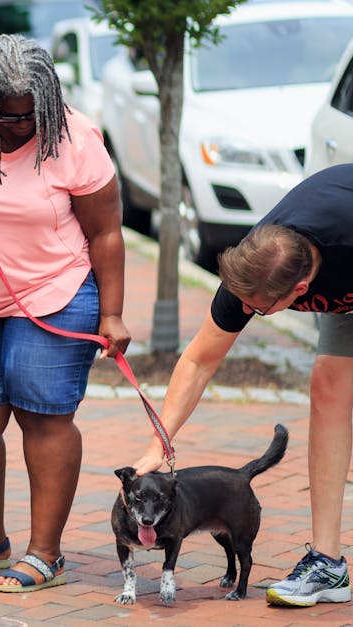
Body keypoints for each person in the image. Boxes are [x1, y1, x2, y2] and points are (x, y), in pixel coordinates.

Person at [0, 34, 129, 593]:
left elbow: (106, 232)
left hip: (57, 293)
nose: (20, 125)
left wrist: (113, 315)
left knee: (43, 415)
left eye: (31, 113)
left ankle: (46, 553)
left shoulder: (75, 138)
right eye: (7, 117)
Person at [131, 163, 353, 607]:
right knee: (328, 384)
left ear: (301, 290)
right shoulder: (254, 265)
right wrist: (160, 442)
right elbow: (199, 359)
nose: (247, 310)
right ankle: (328, 564)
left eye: (259, 308)